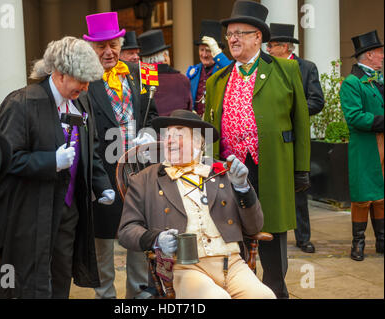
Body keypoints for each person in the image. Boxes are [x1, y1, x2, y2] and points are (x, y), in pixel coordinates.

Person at [0, 36, 114, 299]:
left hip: (68, 212)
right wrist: (51, 162)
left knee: (60, 279)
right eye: (81, 80)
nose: (85, 88)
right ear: (60, 74)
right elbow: (3, 160)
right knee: (24, 284)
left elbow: (90, 149)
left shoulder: (81, 102)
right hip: (30, 213)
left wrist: (101, 184)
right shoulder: (21, 104)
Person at [204, 0, 310, 298]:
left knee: (272, 231)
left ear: (257, 37)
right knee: (232, 230)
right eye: (230, 34)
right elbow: (208, 127)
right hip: (228, 169)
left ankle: (276, 289)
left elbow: (301, 122)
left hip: (270, 165)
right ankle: (242, 289)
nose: (233, 39)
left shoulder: (285, 70)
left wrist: (301, 168)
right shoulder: (217, 80)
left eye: (240, 32)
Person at [118, 109, 276, 299]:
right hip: (184, 268)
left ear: (199, 141)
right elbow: (127, 230)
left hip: (233, 264)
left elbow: (255, 226)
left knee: (265, 296)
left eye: (178, 134)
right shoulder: (145, 179)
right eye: (167, 135)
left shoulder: (223, 172)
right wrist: (156, 240)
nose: (169, 140)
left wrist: (242, 187)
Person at [83, 12, 158, 299]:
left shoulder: (139, 73)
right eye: (101, 46)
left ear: (120, 43)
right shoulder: (85, 81)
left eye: (113, 44)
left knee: (138, 236)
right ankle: (105, 295)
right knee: (103, 241)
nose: (108, 51)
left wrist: (149, 132)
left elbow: (152, 113)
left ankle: (138, 294)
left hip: (139, 172)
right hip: (103, 171)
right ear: (91, 48)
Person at [267, 22, 325, 253]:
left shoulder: (307, 67)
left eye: (272, 46)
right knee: (270, 186)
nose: (268, 50)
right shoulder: (266, 67)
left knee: (299, 189)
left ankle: (303, 237)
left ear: (286, 47)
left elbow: (317, 101)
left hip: (295, 136)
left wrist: (292, 111)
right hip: (270, 138)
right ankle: (269, 232)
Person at [340, 30, 384, 261]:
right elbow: (355, 117)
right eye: (380, 52)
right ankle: (358, 243)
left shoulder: (379, 79)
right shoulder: (352, 83)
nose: (383, 56)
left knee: (382, 195)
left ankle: (382, 241)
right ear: (368, 55)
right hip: (366, 146)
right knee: (362, 196)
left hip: (383, 144)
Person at [138, 29, 193, 116]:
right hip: (177, 128)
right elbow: (189, 110)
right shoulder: (182, 80)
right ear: (165, 56)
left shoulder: (140, 81)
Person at [186, 20, 231, 117]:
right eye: (201, 50)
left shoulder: (225, 68)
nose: (204, 55)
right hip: (196, 125)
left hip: (214, 123)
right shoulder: (193, 70)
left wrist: (218, 54)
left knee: (209, 133)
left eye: (208, 50)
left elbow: (232, 71)